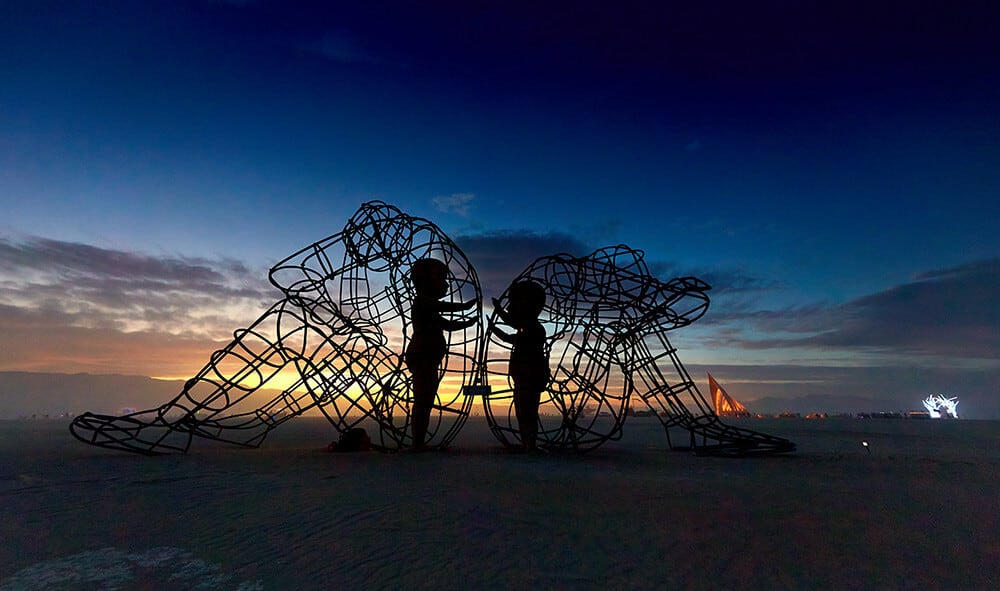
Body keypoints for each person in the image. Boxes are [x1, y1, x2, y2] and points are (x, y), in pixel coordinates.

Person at [405, 258, 478, 450]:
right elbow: (441, 308)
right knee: (422, 400)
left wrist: (467, 323)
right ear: (425, 281)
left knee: (426, 399)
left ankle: (418, 441)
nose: (446, 285)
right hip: (422, 355)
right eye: (441, 279)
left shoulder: (430, 309)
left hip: (428, 356)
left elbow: (447, 324)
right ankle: (417, 443)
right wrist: (464, 307)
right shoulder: (422, 302)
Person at [491, 280, 549, 451]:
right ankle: (527, 443)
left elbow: (513, 326)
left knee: (528, 411)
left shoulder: (535, 328)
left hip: (530, 376)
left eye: (515, 302)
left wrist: (499, 311)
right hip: (522, 376)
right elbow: (513, 331)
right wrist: (497, 326)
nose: (510, 307)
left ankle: (530, 444)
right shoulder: (528, 328)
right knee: (522, 411)